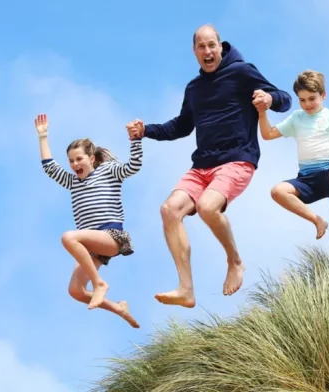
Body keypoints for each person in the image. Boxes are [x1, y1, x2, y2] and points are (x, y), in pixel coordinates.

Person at [126, 24, 292, 307]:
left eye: (211, 45)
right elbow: (180, 126)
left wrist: (269, 98)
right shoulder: (194, 88)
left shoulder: (241, 72)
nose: (207, 51)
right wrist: (146, 131)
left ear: (220, 45)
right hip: (202, 166)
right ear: (194, 52)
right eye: (201, 47)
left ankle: (235, 261)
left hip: (237, 159)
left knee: (207, 206)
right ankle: (186, 289)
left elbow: (285, 100)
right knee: (169, 210)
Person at [35, 113, 143, 328]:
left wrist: (136, 140)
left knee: (68, 237)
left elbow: (133, 167)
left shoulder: (108, 171)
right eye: (71, 161)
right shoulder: (72, 181)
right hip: (93, 245)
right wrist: (43, 137)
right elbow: (49, 167)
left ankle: (99, 284)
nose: (75, 164)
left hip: (111, 236)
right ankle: (119, 309)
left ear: (91, 159)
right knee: (75, 290)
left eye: (79, 159)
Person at [257, 70, 329, 240]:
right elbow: (268, 134)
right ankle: (317, 220)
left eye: (312, 98)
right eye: (302, 100)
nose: (307, 104)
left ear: (323, 95)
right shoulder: (297, 118)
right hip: (306, 178)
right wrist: (262, 112)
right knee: (277, 191)